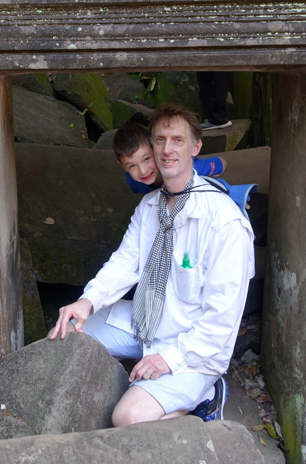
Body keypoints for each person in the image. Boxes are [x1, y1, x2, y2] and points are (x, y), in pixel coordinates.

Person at [49, 104, 255, 427]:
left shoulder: (224, 221)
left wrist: (168, 360)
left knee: (128, 418)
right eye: (160, 140)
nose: (167, 149)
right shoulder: (149, 206)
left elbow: (221, 322)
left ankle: (206, 395)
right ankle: (151, 386)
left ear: (195, 147)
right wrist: (87, 301)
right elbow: (124, 263)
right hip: (149, 322)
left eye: (177, 140)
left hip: (193, 347)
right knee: (67, 335)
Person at [114, 113, 225, 195]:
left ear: (155, 150)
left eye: (147, 159)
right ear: (123, 166)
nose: (143, 171)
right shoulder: (132, 180)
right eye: (132, 166)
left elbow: (221, 163)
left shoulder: (193, 169)